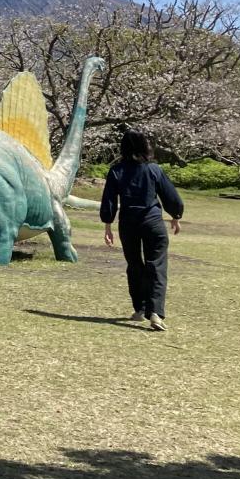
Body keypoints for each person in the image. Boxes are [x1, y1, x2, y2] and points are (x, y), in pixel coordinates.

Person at [101, 130, 184, 331]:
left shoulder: (116, 170)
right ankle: (155, 312)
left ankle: (140, 308)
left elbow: (109, 200)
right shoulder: (154, 169)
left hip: (128, 223)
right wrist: (175, 216)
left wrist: (107, 225)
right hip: (153, 223)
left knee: (134, 265)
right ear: (146, 147)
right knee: (156, 265)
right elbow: (169, 195)